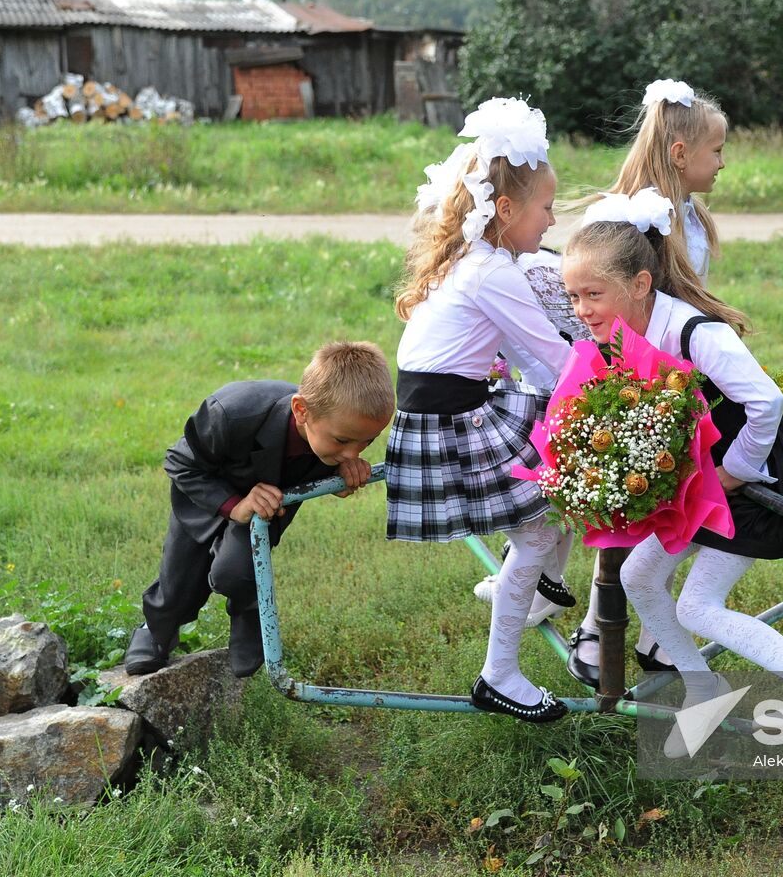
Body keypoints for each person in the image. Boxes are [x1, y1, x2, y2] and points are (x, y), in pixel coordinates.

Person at [562, 190, 783, 751]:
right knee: (638, 576)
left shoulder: (697, 333)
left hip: (755, 485)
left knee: (697, 606)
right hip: (704, 487)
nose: (581, 308)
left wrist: (736, 470)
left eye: (593, 294)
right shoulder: (623, 337)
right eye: (572, 296)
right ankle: (703, 688)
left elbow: (765, 402)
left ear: (640, 284)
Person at [388, 97, 574, 722]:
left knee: (555, 491)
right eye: (547, 207)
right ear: (506, 209)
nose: (552, 220)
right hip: (452, 421)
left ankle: (540, 585)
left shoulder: (474, 259)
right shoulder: (492, 271)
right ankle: (500, 673)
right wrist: (619, 387)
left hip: (447, 408)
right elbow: (549, 357)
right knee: (547, 514)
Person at [560, 78, 734, 686]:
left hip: (675, 370)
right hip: (632, 374)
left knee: (664, 504)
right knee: (624, 503)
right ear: (682, 152)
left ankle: (660, 635)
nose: (722, 162)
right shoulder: (628, 216)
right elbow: (596, 294)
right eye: (715, 151)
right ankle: (595, 626)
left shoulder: (688, 213)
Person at [124, 341, 394, 678]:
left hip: (267, 505)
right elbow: (180, 463)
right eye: (343, 442)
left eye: (366, 443)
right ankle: (156, 631)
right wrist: (234, 505)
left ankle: (251, 619)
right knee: (179, 580)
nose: (354, 452)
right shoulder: (232, 411)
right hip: (207, 493)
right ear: (301, 411)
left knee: (236, 571)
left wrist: (340, 472)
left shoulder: (335, 429)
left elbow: (336, 454)